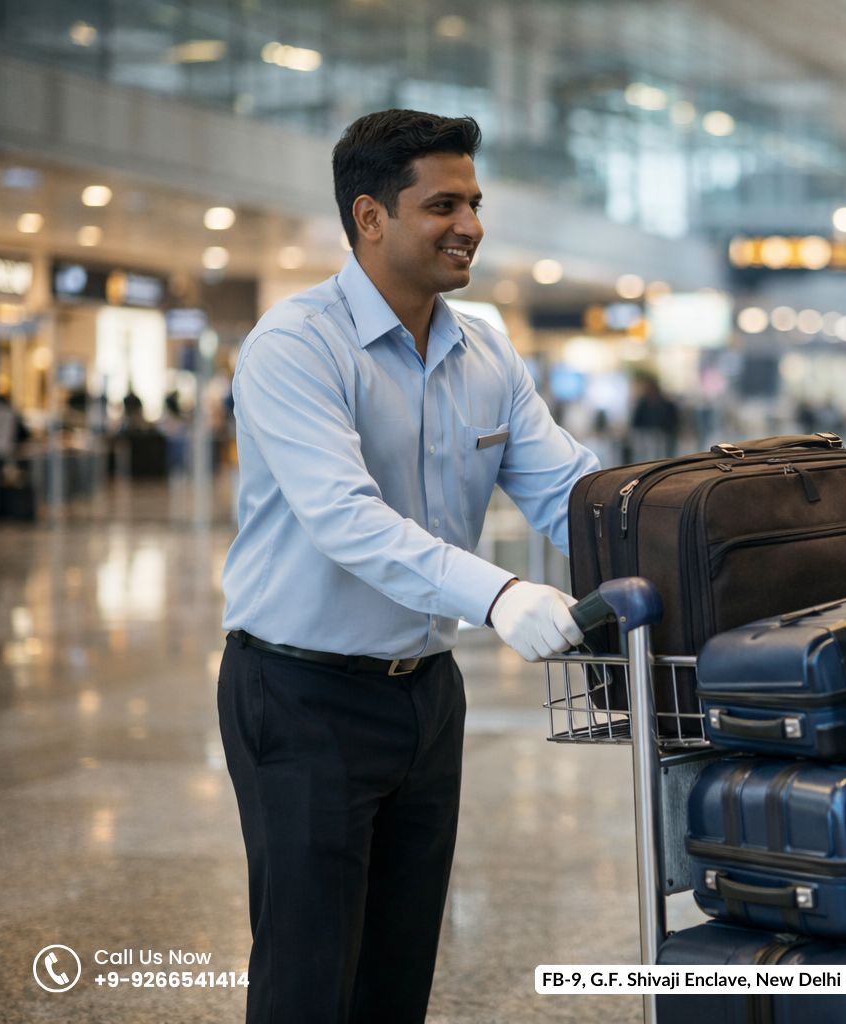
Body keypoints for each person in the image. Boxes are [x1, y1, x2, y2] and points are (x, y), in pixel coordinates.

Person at [217, 109, 599, 1024]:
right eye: (442, 204)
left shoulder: (486, 350)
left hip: (426, 696)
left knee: (398, 974)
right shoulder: (296, 345)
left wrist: (688, 526)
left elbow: (567, 491)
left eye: (473, 201)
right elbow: (345, 519)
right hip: (301, 695)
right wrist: (499, 593)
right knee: (309, 979)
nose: (469, 223)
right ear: (370, 216)